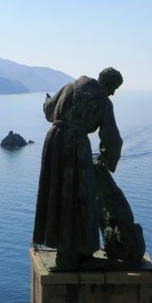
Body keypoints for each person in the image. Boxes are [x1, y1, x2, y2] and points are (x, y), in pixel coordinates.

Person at [33, 67, 125, 270]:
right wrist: (107, 159)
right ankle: (78, 252)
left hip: (54, 143)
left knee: (57, 194)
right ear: (108, 84)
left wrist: (49, 102)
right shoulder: (103, 101)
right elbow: (112, 138)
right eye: (115, 88)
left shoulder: (70, 86)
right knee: (80, 196)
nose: (113, 93)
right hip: (76, 145)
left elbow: (49, 111)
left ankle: (64, 247)